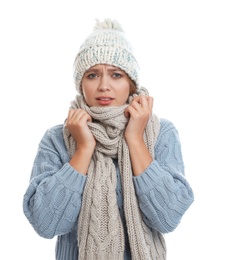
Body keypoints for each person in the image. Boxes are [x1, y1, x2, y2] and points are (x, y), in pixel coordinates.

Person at [23, 18, 194, 260]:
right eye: (92, 75)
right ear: (80, 84)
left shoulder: (159, 133)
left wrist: (134, 138)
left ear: (131, 82)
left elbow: (168, 216)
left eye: (116, 74)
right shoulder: (57, 139)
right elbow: (45, 223)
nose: (104, 86)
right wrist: (83, 149)